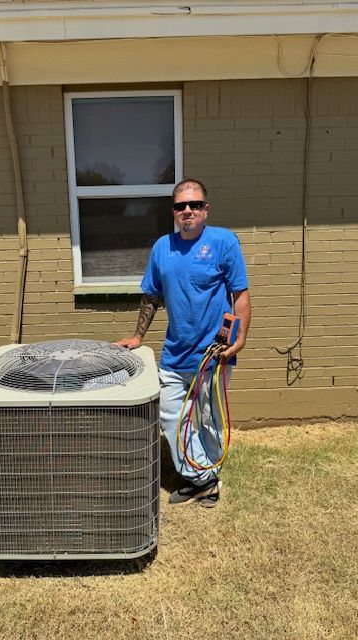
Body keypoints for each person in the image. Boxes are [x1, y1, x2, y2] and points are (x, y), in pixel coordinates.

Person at [117, 178, 251, 507]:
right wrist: (138, 336)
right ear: (173, 212)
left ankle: (204, 477)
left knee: (208, 418)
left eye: (194, 205)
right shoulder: (162, 247)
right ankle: (202, 478)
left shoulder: (224, 242)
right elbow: (151, 295)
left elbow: (241, 295)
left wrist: (241, 338)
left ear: (206, 209)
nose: (187, 210)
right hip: (175, 355)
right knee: (171, 417)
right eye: (180, 206)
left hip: (212, 355)